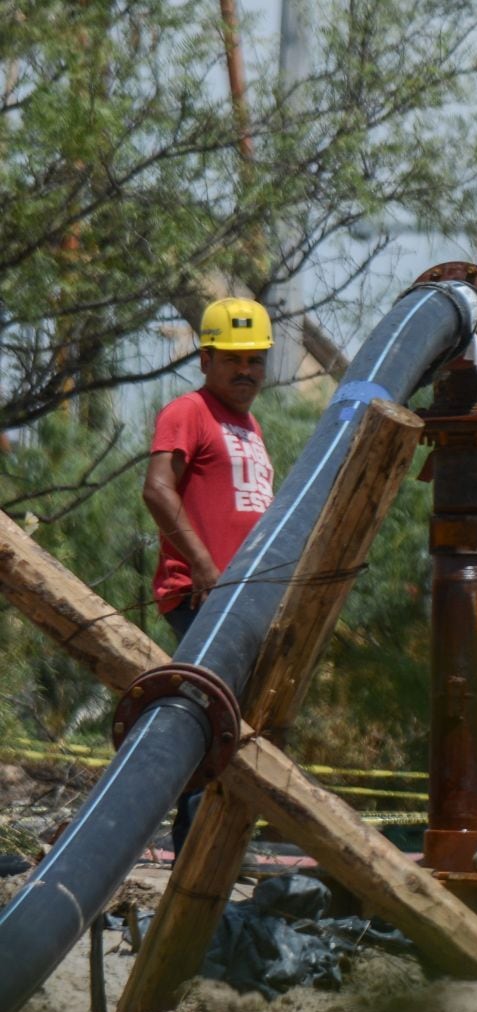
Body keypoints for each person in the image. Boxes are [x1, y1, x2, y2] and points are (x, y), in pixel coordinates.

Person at [142, 297, 278, 851]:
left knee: (236, 726)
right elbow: (157, 488)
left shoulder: (249, 424)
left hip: (242, 598)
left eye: (256, 360)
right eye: (233, 360)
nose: (246, 371)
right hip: (202, 595)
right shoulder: (188, 412)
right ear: (205, 359)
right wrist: (204, 566)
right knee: (212, 721)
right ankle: (194, 854)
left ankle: (215, 854)